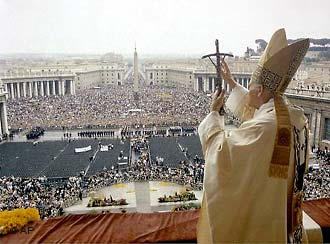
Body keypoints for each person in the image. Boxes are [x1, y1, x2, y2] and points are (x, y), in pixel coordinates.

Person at [197, 29, 310, 243]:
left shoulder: (266, 127)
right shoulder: (292, 116)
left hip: (267, 219)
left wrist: (213, 115)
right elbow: (256, 111)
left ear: (259, 91)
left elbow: (221, 154)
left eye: (250, 88)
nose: (247, 93)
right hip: (289, 217)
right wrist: (232, 83)